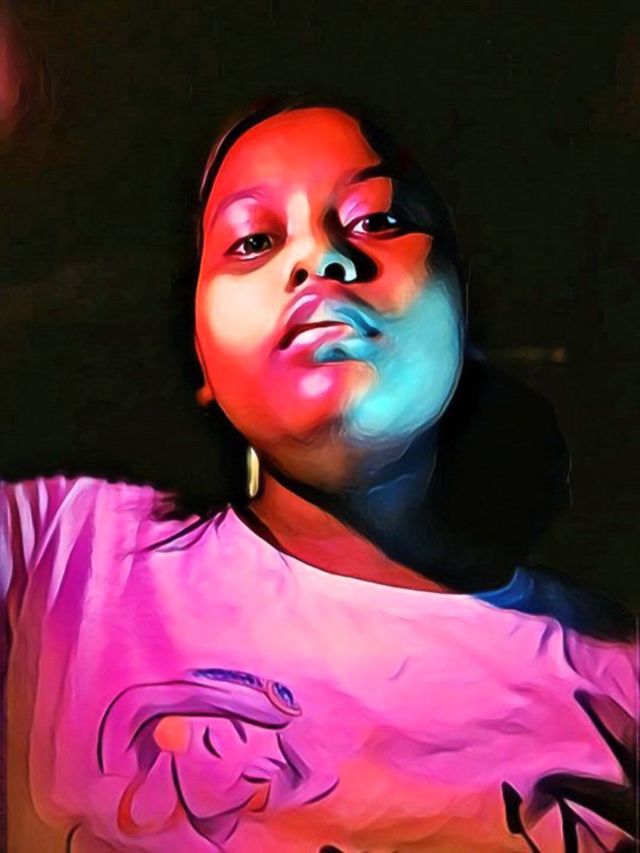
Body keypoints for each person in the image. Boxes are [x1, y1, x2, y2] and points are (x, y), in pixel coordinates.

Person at [0, 96, 637, 852]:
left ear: (464, 303)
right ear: (199, 354)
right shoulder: (57, 552)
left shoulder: (618, 675)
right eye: (252, 240)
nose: (319, 259)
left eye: (378, 220)